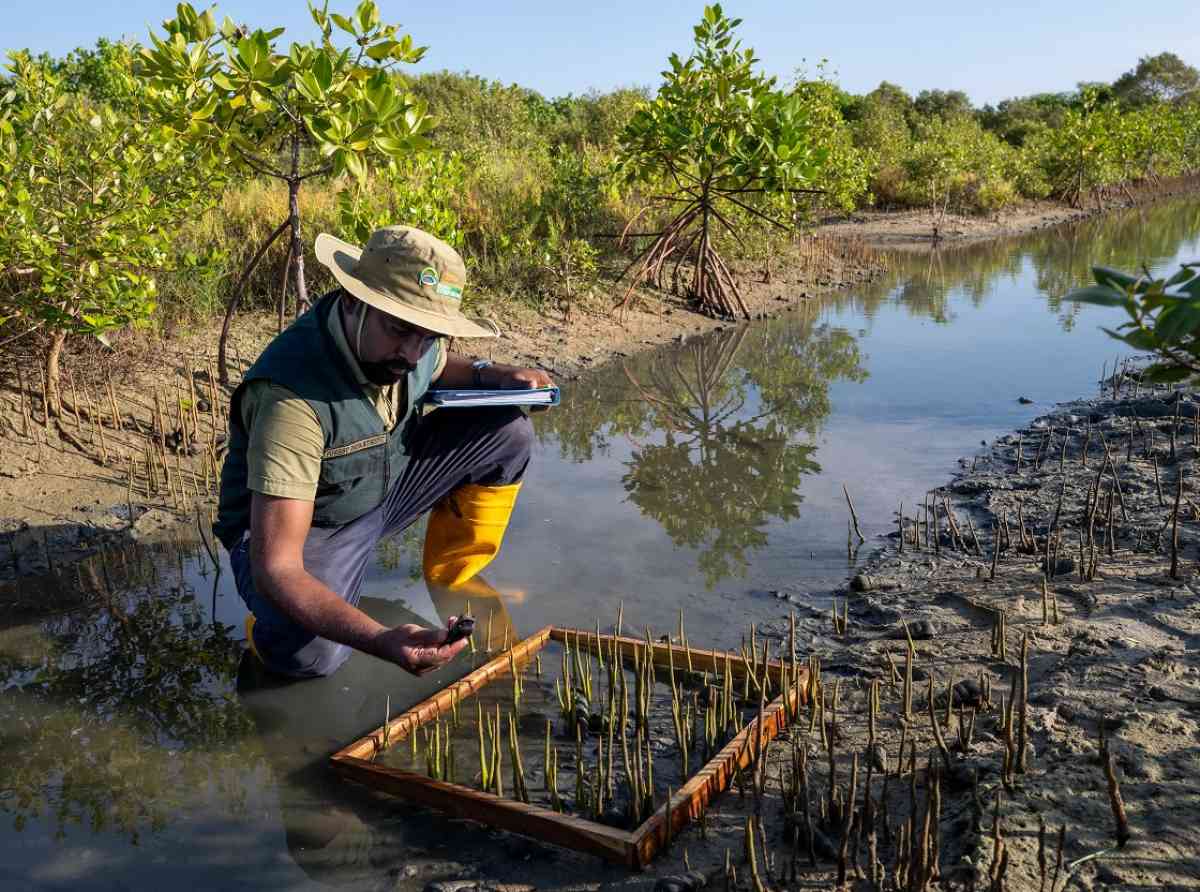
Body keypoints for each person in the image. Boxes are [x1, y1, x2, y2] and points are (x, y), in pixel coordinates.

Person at [214, 225, 553, 679]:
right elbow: (278, 568)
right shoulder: (291, 400)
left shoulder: (406, 346)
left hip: (383, 485)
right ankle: (269, 631)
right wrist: (380, 638)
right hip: (310, 529)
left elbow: (434, 367)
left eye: (429, 335)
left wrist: (493, 373)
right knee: (309, 655)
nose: (412, 354)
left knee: (508, 433)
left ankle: (454, 576)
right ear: (354, 301)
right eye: (400, 331)